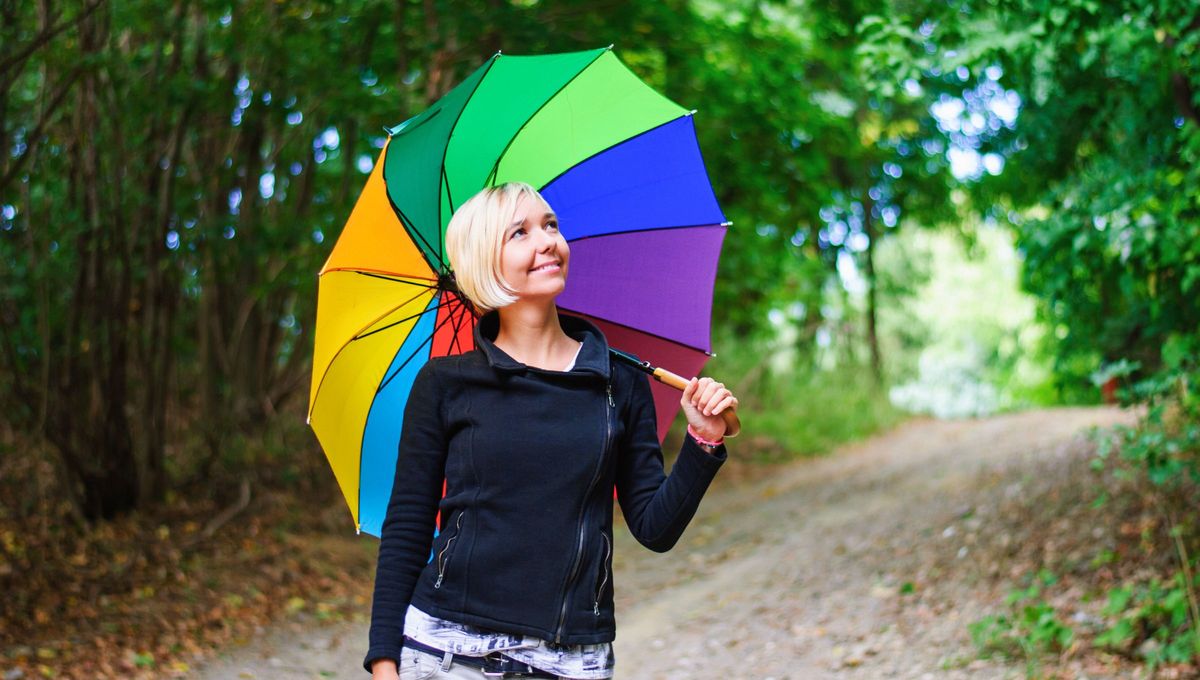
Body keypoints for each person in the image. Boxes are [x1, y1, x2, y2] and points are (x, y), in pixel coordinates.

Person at [364, 182, 737, 679]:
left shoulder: (616, 382)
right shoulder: (446, 385)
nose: (547, 242)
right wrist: (385, 660)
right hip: (446, 651)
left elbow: (654, 527)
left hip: (571, 659)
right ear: (485, 262)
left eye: (551, 226)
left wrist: (703, 440)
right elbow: (409, 527)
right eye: (520, 232)